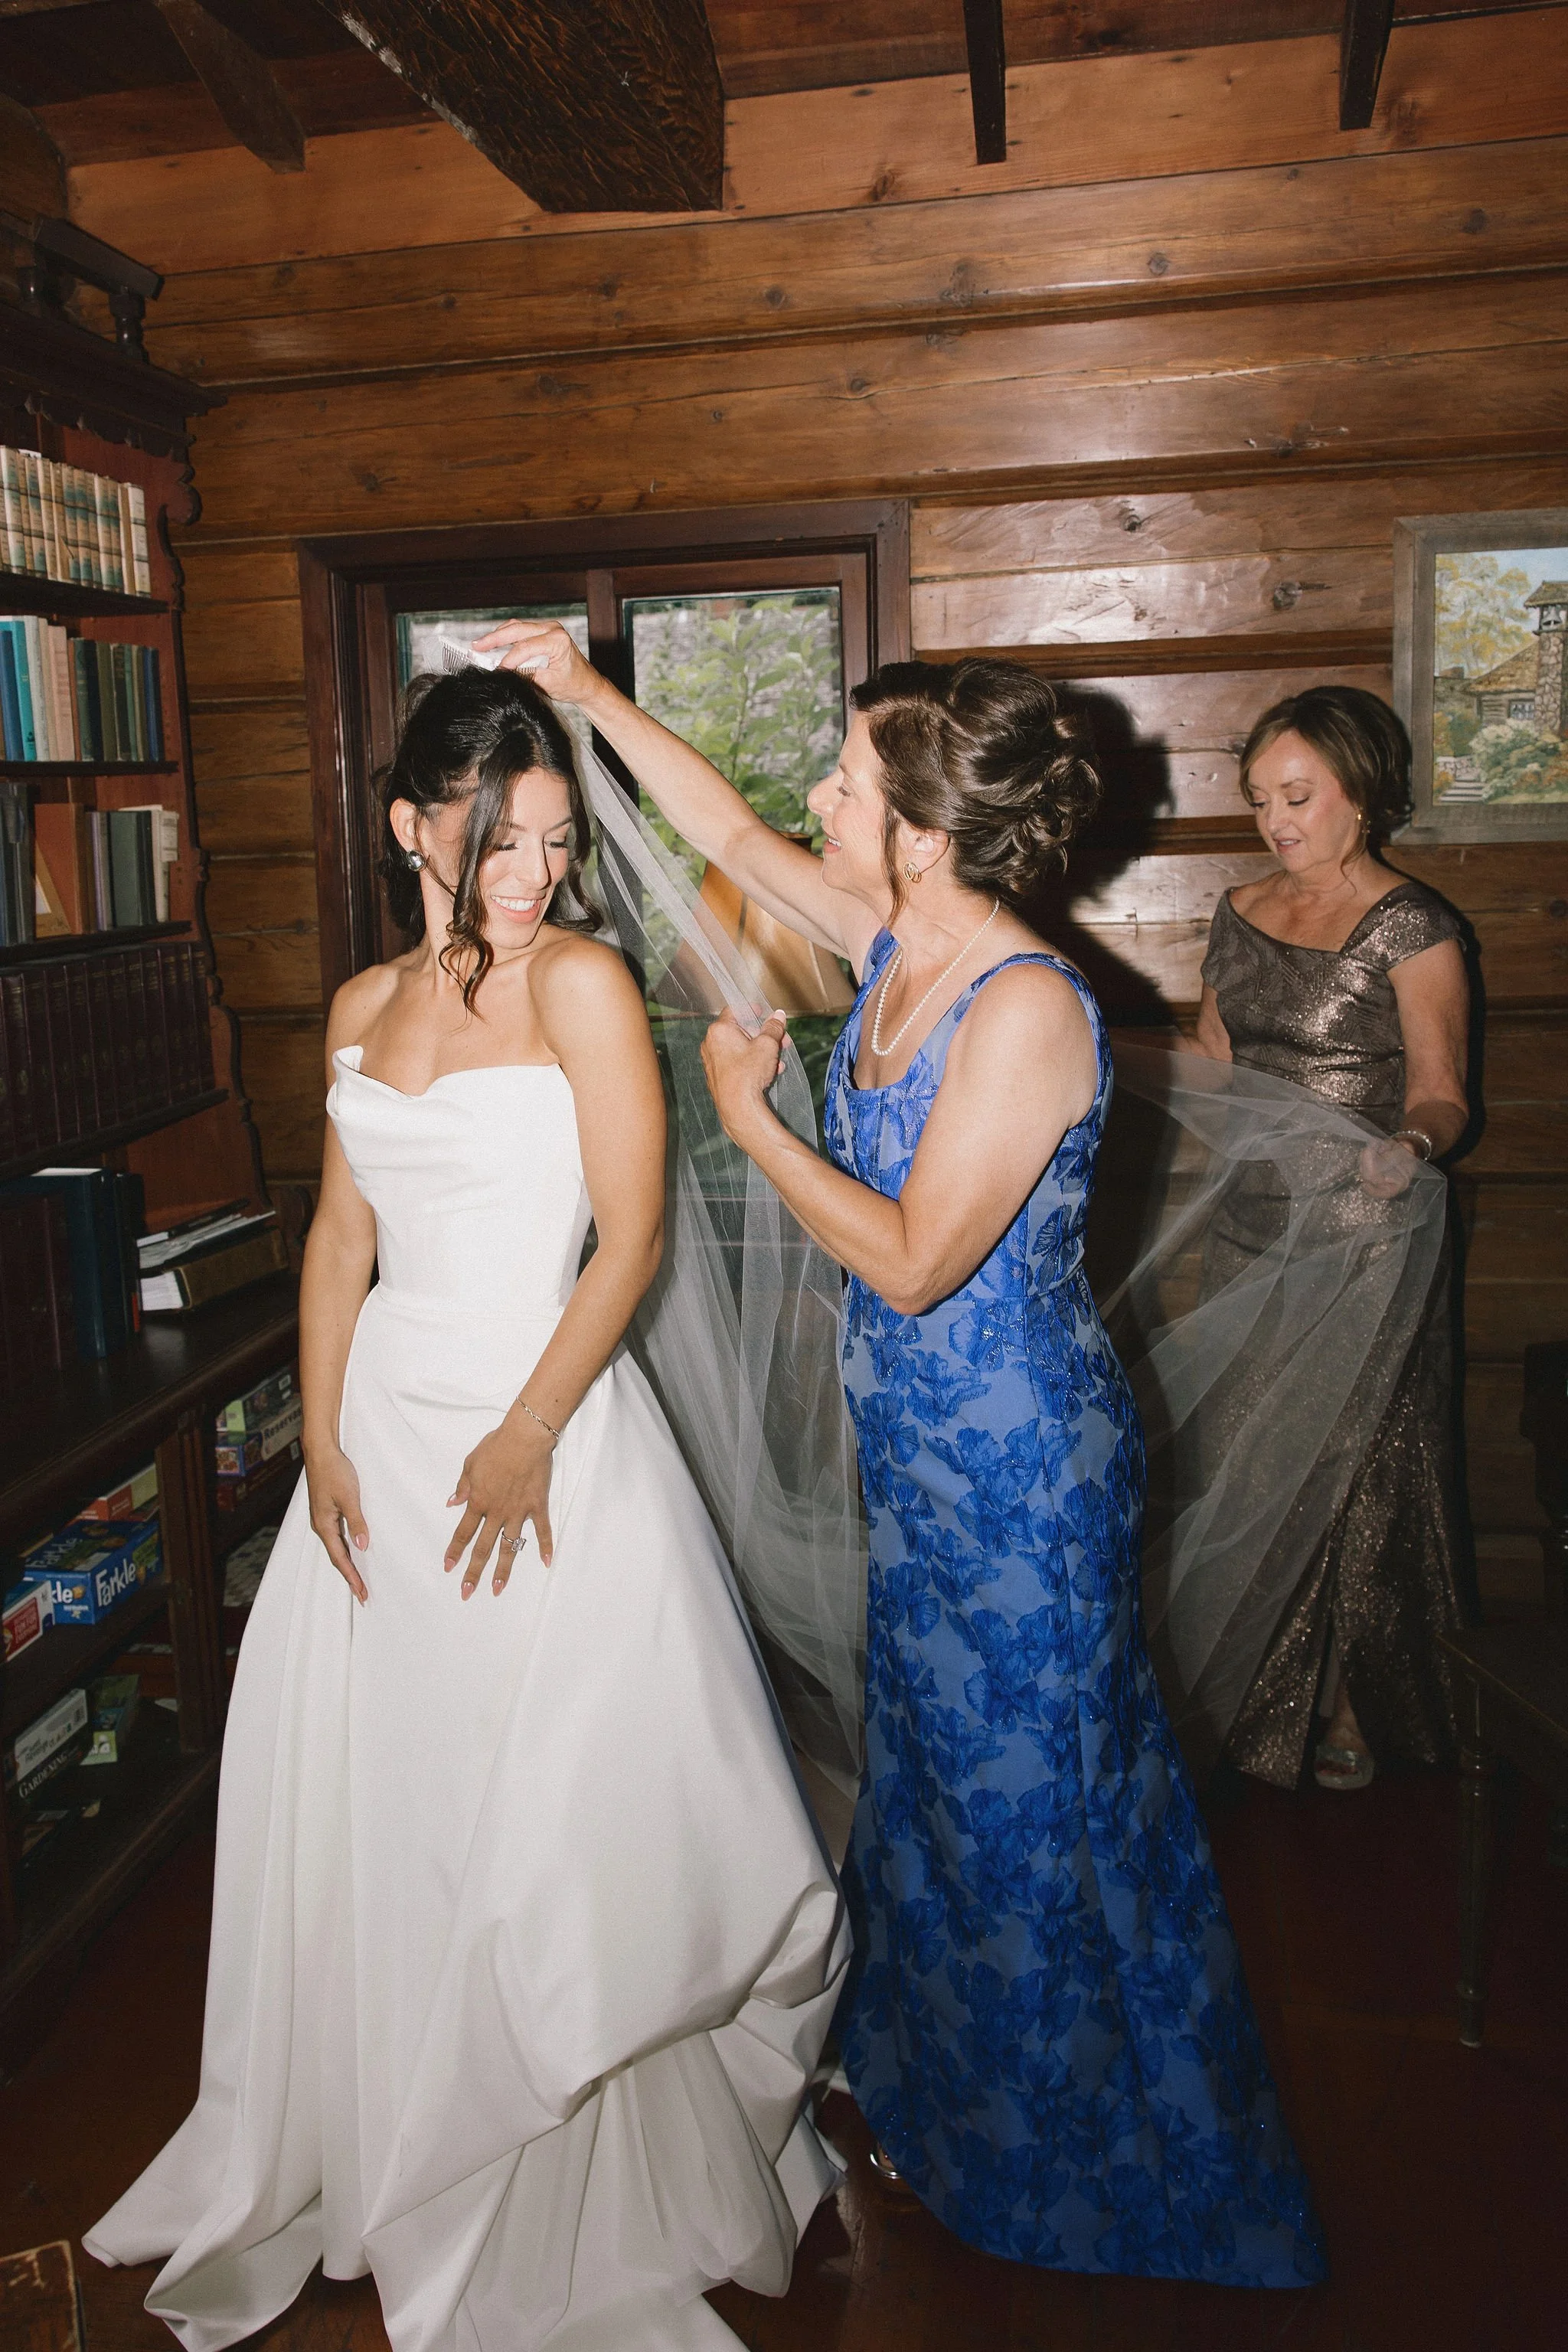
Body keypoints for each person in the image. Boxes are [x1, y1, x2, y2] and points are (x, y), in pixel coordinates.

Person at [478, 622, 1326, 2289]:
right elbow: (724, 835)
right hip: (926, 1465)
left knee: (1036, 1819)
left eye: (848, 782)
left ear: (921, 829)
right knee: (938, 1801)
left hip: (1020, 1483)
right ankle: (949, 2104)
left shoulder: (1025, 1007)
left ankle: (1104, 2165)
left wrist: (748, 1124)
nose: (819, 798)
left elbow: (919, 1259)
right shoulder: (890, 936)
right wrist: (582, 700)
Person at [85, 668, 848, 2352]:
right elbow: (342, 1243)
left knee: (546, 1828)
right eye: (499, 839)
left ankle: (543, 2163)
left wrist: (524, 1434)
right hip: (383, 1444)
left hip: (545, 1424)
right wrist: (329, 1442)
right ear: (412, 825)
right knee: (392, 1804)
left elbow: (631, 1240)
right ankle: (374, 2125)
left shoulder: (584, 984)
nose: (531, 873)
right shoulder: (361, 1002)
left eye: (557, 842)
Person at [1189, 684, 1470, 1792]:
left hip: (1368, 1228)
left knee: (1360, 1474)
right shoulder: (1238, 908)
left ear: (1363, 794)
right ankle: (1256, 1705)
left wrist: (1408, 1141)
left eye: (1297, 796)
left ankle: (1357, 1701)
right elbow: (1212, 1062)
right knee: (1246, 1457)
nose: (1275, 822)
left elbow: (1448, 1095)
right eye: (1260, 800)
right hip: (1252, 1223)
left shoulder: (1416, 927)